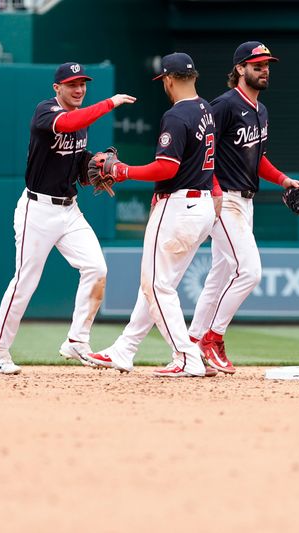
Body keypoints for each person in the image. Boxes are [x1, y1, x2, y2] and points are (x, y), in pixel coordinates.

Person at [0, 62, 136, 374]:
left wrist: (99, 167)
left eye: (82, 84)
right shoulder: (45, 112)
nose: (79, 89)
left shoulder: (80, 121)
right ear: (57, 88)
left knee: (96, 267)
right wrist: (109, 103)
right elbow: (67, 124)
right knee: (25, 281)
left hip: (69, 209)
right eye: (72, 84)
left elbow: (79, 167)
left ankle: (77, 340)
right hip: (37, 210)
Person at [86, 52, 217, 377]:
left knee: (157, 286)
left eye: (164, 82)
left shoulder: (177, 115)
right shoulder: (206, 109)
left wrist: (122, 170)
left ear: (169, 80)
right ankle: (124, 350)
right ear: (194, 76)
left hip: (178, 206)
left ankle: (187, 357)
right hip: (199, 206)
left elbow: (167, 167)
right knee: (159, 285)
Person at [187, 40, 299, 373]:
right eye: (257, 65)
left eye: (266, 65)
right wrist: (216, 192)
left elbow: (257, 157)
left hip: (245, 202)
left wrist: (283, 180)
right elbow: (201, 153)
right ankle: (213, 336)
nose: (264, 70)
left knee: (219, 276)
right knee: (249, 271)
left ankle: (192, 345)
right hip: (223, 200)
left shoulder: (260, 110)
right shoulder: (222, 106)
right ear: (239, 69)